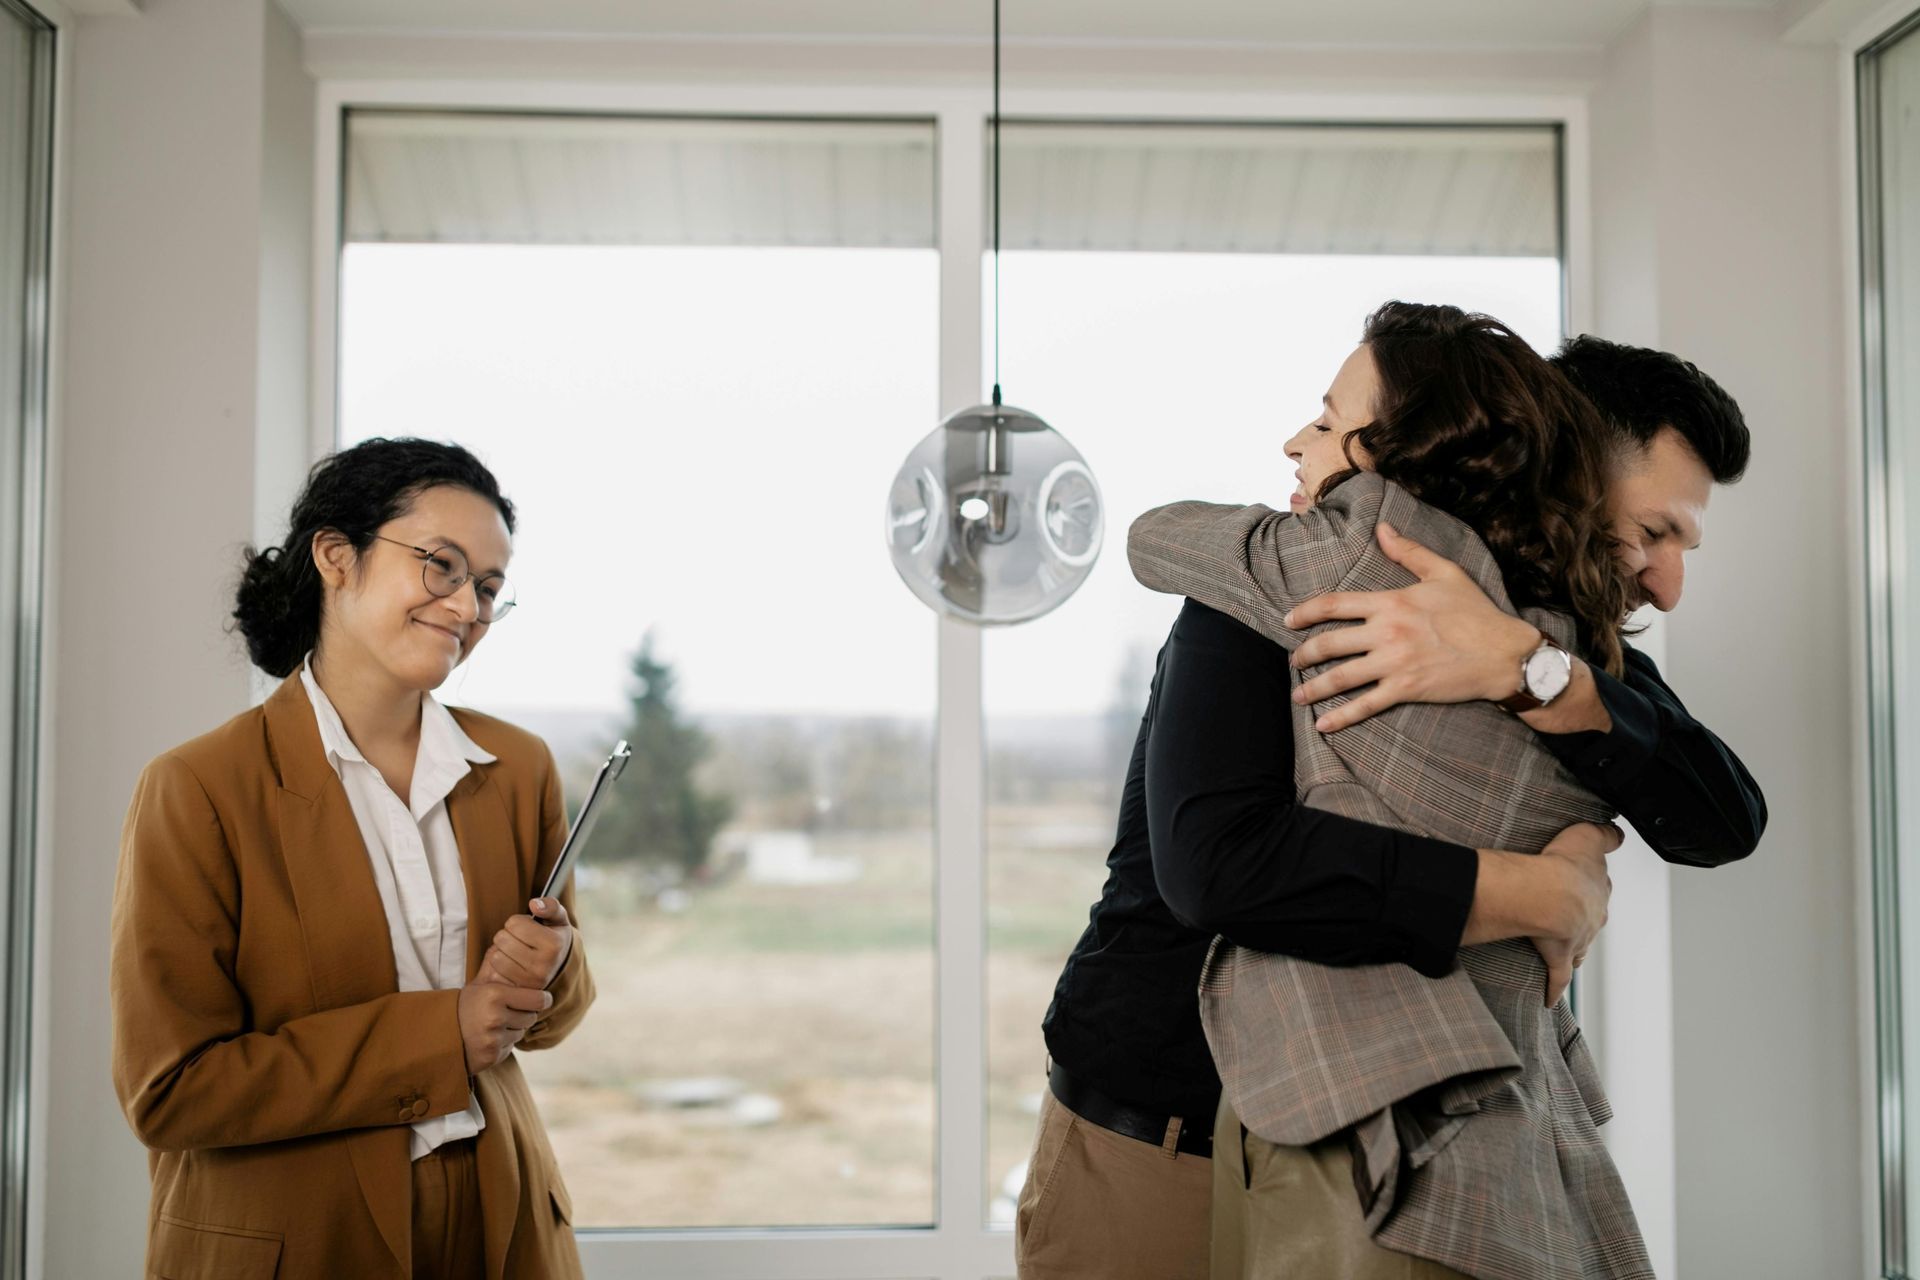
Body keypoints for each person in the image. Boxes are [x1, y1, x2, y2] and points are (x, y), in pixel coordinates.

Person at [1012, 316, 1763, 1280]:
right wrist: (1542, 892)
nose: (1668, 581)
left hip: (1373, 1146)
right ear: (1560, 463)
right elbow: (1223, 862)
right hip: (1158, 1129)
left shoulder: (1550, 640)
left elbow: (1721, 816)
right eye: (1654, 531)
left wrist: (1521, 668)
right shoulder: (1280, 586)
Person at [110, 438, 594, 1280]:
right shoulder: (199, 788)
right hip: (295, 1237)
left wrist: (552, 965)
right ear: (337, 557)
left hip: (503, 1223)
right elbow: (173, 1089)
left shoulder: (518, 769)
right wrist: (445, 1033)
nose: (468, 608)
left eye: (488, 588)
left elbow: (552, 1016)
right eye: (441, 566)